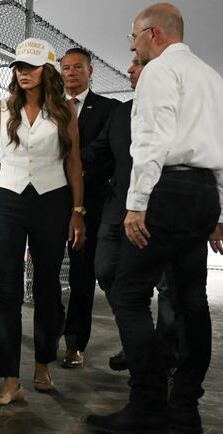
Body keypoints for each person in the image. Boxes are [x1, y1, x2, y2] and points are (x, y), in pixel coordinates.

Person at [86, 3, 223, 434]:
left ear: (154, 34)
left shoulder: (160, 71)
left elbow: (151, 140)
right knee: (191, 300)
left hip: (165, 191)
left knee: (128, 294)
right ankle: (185, 408)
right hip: (202, 192)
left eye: (134, 37)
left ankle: (147, 403)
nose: (132, 46)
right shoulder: (212, 78)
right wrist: (220, 211)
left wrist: (136, 203)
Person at [0, 38, 84, 405]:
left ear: (46, 71)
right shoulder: (0, 109)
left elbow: (74, 163)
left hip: (52, 200)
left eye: (31, 66)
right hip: (9, 200)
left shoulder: (64, 111)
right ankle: (10, 379)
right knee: (8, 290)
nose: (23, 72)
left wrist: (78, 211)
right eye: (19, 66)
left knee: (47, 287)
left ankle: (42, 364)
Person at [82, 54, 177, 373]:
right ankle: (139, 338)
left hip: (160, 212)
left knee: (168, 286)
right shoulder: (122, 112)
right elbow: (98, 152)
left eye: (138, 65)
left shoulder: (177, 111)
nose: (129, 70)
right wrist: (56, 155)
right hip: (117, 211)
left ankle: (164, 357)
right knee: (106, 269)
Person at [60, 47, 120, 369]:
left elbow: (107, 150)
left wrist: (72, 165)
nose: (71, 72)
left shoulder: (109, 109)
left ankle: (75, 343)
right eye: (66, 68)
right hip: (50, 198)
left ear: (90, 71)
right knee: (45, 272)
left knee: (82, 274)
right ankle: (52, 324)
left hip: (91, 203)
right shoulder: (49, 107)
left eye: (77, 67)